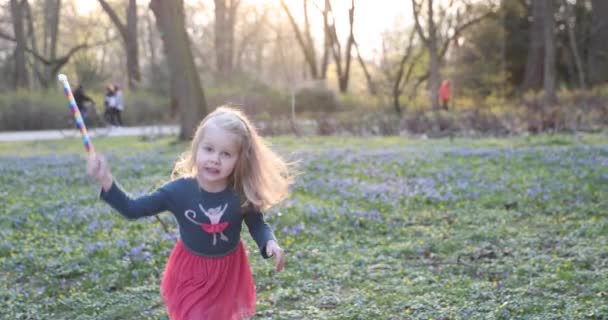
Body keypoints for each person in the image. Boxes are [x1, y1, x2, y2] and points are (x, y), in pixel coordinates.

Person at [86, 106, 292, 320]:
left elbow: (257, 224)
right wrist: (106, 180)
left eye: (226, 154)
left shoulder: (240, 193)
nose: (215, 159)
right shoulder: (178, 191)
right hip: (190, 270)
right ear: (196, 149)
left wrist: (269, 243)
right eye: (209, 149)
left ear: (240, 160)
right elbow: (133, 209)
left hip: (228, 272)